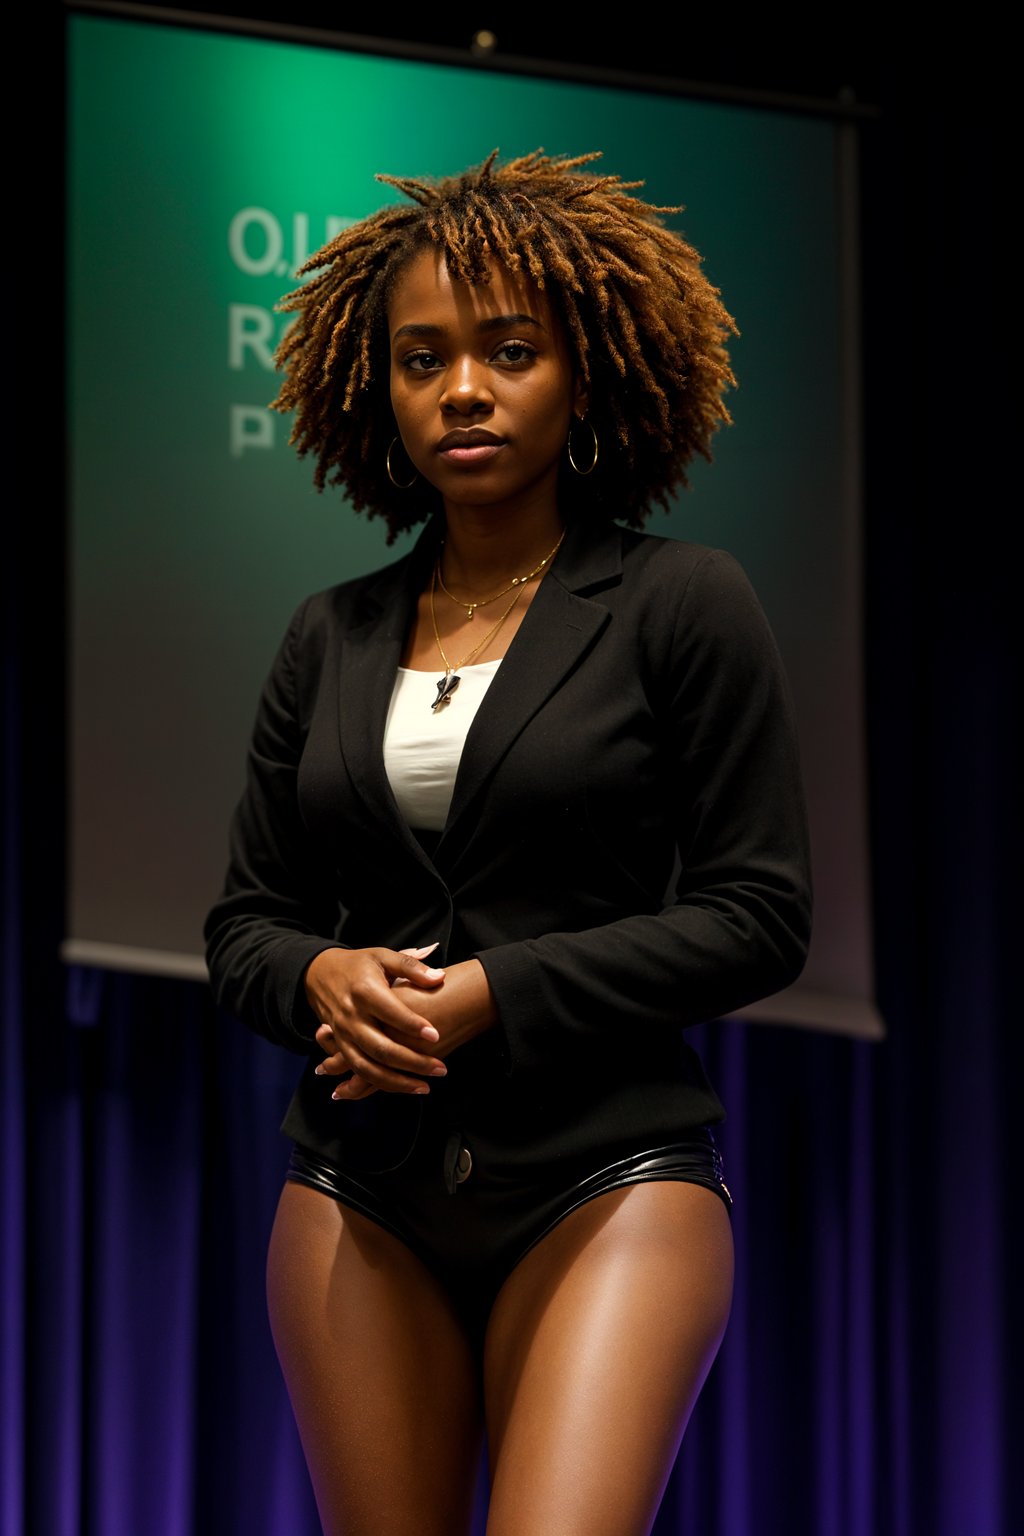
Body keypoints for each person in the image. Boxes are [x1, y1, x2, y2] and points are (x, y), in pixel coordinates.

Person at [203, 147, 812, 1536]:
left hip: (611, 1174)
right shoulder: (330, 632)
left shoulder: (680, 603)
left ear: (584, 374)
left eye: (509, 352)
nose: (462, 390)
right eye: (422, 360)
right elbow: (244, 925)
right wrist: (317, 979)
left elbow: (758, 913)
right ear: (380, 391)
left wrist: (497, 995)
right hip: (360, 1188)